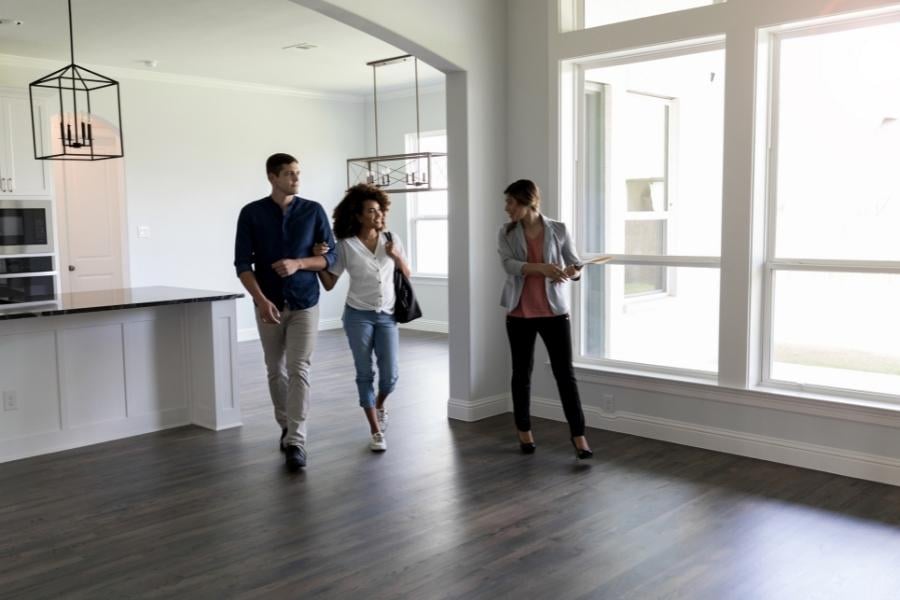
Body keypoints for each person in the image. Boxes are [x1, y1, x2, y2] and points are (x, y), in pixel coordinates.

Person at [234, 153, 336, 471]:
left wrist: (300, 263)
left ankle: (296, 440)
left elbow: (329, 260)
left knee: (299, 368)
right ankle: (286, 425)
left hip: (305, 302)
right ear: (272, 177)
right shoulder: (251, 213)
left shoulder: (313, 211)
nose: (296, 179)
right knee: (274, 369)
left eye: (298, 173)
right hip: (269, 305)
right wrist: (261, 301)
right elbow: (242, 264)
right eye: (290, 174)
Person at [497, 179, 593, 459]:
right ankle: (524, 431)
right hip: (519, 313)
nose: (507, 208)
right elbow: (508, 265)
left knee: (565, 376)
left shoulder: (559, 229)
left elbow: (574, 266)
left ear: (528, 201)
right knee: (521, 375)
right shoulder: (506, 232)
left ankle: (579, 436)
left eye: (511, 202)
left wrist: (572, 271)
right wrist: (542, 268)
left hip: (554, 313)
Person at [316, 184, 410, 453]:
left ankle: (379, 404)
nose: (378, 215)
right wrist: (318, 261)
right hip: (358, 315)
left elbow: (407, 273)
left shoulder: (391, 238)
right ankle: (375, 430)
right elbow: (330, 283)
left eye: (380, 210)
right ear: (358, 216)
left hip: (388, 315)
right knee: (364, 372)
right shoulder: (346, 245)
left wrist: (396, 255)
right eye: (371, 211)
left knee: (390, 376)